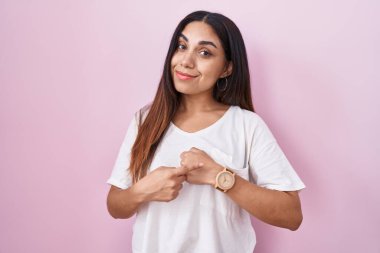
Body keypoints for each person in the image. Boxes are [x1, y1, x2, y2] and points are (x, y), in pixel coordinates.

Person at [106, 10, 305, 253]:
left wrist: (220, 177)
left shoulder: (246, 125)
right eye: (181, 46)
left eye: (204, 53)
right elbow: (115, 206)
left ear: (227, 68)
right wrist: (143, 190)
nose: (186, 61)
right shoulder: (145, 121)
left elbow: (291, 215)